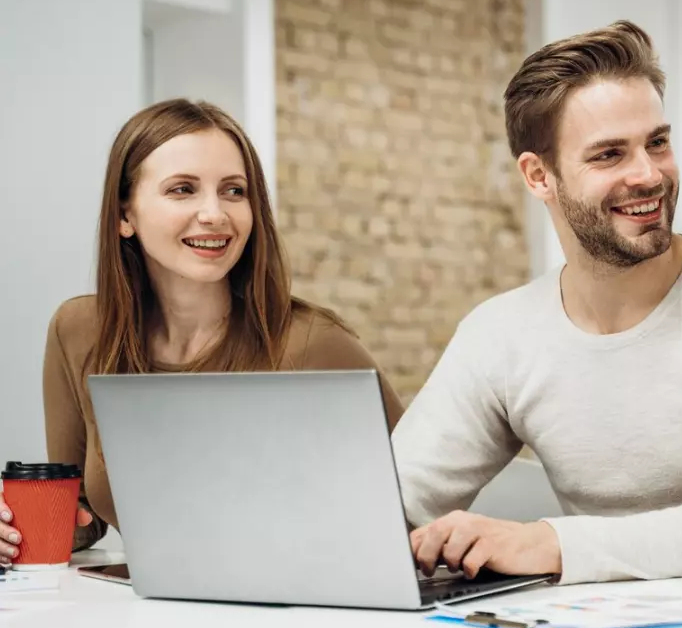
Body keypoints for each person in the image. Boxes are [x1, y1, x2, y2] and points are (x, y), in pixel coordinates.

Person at [392, 20, 682, 585]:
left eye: (657, 142)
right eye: (608, 155)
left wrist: (550, 544)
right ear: (538, 176)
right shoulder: (500, 333)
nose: (648, 175)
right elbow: (392, 501)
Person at [0, 99, 403, 566]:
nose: (214, 213)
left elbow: (415, 502)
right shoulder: (79, 332)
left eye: (234, 191)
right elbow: (83, 516)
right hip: (146, 615)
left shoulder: (313, 343)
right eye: (183, 190)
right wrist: (15, 528)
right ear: (123, 216)